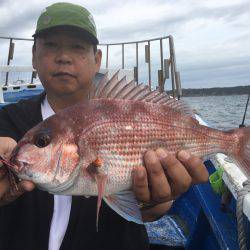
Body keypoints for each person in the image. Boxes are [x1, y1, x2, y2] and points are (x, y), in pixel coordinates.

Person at [0, 2, 209, 250]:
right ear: (34, 56)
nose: (63, 57)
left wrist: (151, 201)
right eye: (51, 45)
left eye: (77, 47)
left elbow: (154, 212)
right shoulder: (6, 121)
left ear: (97, 60)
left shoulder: (120, 107)